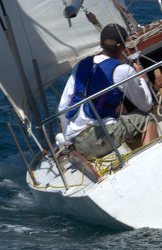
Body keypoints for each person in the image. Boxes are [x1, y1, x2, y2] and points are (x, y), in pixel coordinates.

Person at [58, 24, 155, 159]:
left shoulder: (81, 65)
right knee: (146, 119)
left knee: (116, 118)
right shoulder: (123, 70)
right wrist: (139, 75)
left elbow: (62, 107)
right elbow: (146, 106)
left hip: (78, 145)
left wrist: (68, 142)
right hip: (99, 140)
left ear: (100, 44)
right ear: (122, 46)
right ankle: (149, 160)